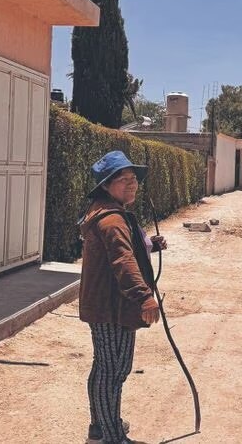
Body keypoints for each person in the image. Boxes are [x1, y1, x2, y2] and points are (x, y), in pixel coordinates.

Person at [78, 150, 167, 444]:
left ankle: (101, 426)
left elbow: (127, 250)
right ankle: (112, 436)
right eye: (122, 179)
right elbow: (122, 260)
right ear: (106, 184)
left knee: (105, 367)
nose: (131, 184)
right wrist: (145, 297)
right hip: (111, 308)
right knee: (113, 370)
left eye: (133, 179)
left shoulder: (108, 211)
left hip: (107, 305)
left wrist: (150, 245)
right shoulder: (111, 219)